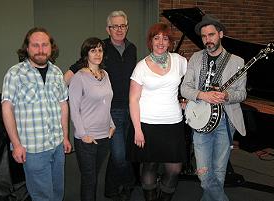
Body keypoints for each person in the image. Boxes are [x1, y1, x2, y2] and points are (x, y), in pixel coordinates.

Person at [64, 10, 137, 201]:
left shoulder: (130, 50)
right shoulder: (98, 50)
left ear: (127, 27)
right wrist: (58, 89)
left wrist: (112, 123)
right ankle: (128, 183)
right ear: (108, 29)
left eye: (123, 26)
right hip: (103, 117)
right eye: (115, 26)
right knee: (116, 159)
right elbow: (74, 75)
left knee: (119, 155)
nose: (119, 29)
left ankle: (111, 189)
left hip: (126, 111)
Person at [181, 15, 247, 201]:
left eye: (211, 35)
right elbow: (185, 88)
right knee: (203, 173)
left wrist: (226, 96)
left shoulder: (237, 62)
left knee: (218, 173)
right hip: (200, 121)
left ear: (221, 34)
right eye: (204, 36)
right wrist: (203, 95)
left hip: (225, 123)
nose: (207, 39)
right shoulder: (196, 58)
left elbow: (241, 94)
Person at [1, 27, 72, 201]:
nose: (40, 50)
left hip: (56, 145)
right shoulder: (15, 73)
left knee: (57, 192)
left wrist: (65, 137)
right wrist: (16, 144)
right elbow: (7, 108)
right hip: (33, 149)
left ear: (51, 47)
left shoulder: (56, 72)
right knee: (42, 196)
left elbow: (63, 104)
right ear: (27, 48)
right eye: (35, 45)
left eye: (45, 45)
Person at [127, 23, 187, 201]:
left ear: (170, 42)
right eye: (157, 38)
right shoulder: (141, 67)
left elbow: (190, 83)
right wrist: (137, 129)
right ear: (150, 41)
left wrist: (188, 99)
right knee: (150, 165)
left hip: (173, 123)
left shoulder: (179, 61)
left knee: (174, 169)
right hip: (147, 123)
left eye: (165, 38)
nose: (161, 42)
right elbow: (133, 100)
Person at [69, 37, 115, 201]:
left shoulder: (106, 74)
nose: (97, 54)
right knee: (89, 180)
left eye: (100, 50)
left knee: (95, 176)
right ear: (86, 54)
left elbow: (106, 103)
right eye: (93, 50)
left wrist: (111, 124)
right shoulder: (79, 77)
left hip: (104, 136)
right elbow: (73, 108)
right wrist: (83, 134)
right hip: (87, 138)